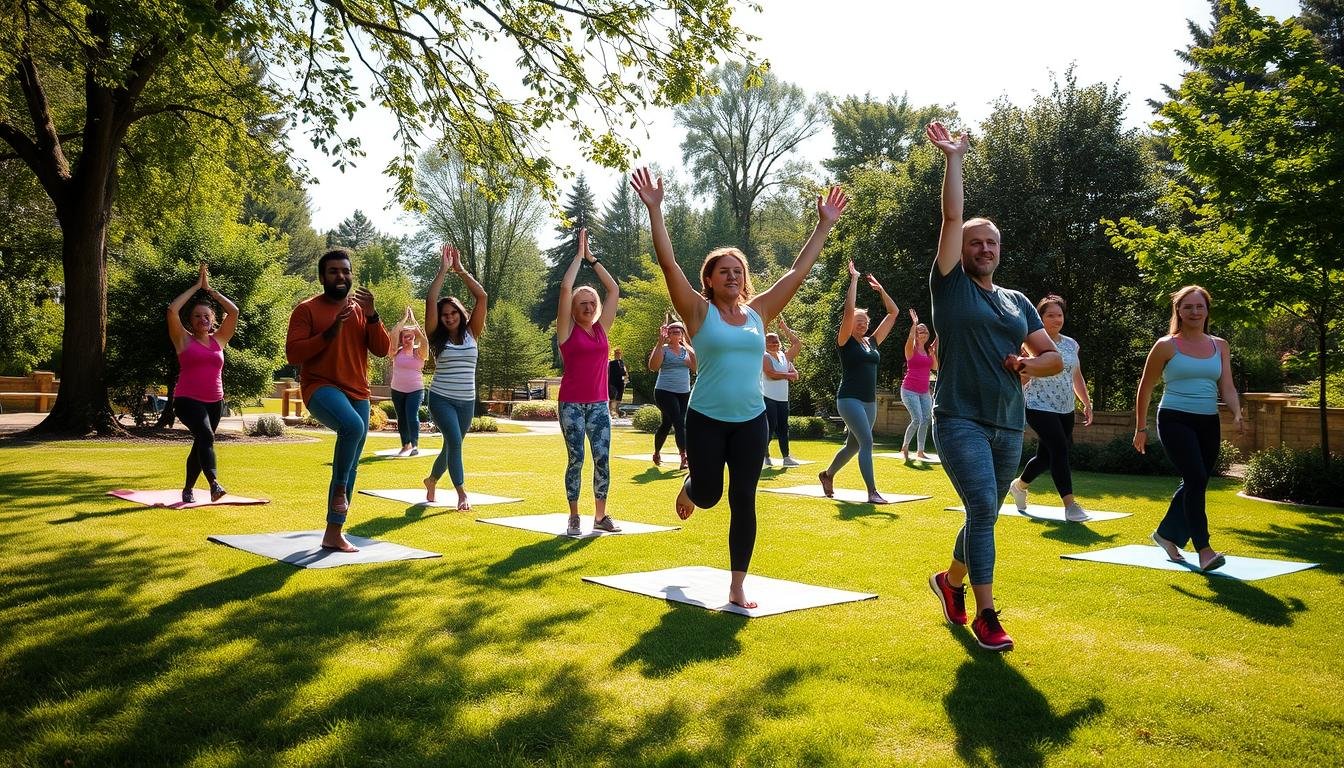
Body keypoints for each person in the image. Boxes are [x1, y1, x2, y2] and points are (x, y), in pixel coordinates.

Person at [633, 165, 848, 609]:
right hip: (707, 419)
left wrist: (823, 224)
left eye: (738, 271)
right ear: (709, 279)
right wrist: (656, 209)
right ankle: (692, 486)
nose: (732, 276)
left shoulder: (758, 313)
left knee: (743, 499)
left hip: (751, 421)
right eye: (723, 271)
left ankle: (737, 584)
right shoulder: (696, 312)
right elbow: (668, 263)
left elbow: (796, 272)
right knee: (710, 495)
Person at [922, 122, 1062, 652]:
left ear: (1000, 250)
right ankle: (986, 615)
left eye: (992, 243)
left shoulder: (1017, 300)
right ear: (962, 249)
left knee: (985, 513)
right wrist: (953, 158)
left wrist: (1028, 366)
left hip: (1008, 424)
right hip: (959, 416)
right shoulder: (949, 285)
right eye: (976, 242)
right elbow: (952, 215)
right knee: (983, 507)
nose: (984, 248)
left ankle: (949, 581)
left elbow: (1050, 357)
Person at [286, 248, 390, 552]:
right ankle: (340, 489)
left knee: (352, 462)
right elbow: (294, 354)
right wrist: (331, 331)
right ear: (322, 277)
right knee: (353, 427)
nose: (341, 276)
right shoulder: (306, 310)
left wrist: (372, 316)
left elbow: (382, 349)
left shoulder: (360, 310)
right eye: (334, 272)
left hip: (358, 390)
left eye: (345, 271)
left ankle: (333, 531)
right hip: (320, 386)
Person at [1134, 285, 1243, 572]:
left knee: (1197, 481)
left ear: (1207, 311)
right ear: (1178, 312)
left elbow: (1227, 386)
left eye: (1200, 307)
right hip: (1174, 419)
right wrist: (1140, 428)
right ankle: (1204, 549)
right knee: (1195, 477)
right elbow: (1145, 388)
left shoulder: (1220, 345)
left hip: (1208, 421)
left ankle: (1165, 535)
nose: (1194, 312)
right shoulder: (1166, 345)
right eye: (1188, 307)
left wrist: (1237, 411)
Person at [557, 228, 622, 536]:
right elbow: (566, 286)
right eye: (581, 303)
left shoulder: (601, 330)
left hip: (598, 405)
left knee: (602, 458)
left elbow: (613, 290)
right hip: (571, 404)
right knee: (577, 458)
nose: (587, 306)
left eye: (590, 302)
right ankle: (573, 515)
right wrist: (577, 257)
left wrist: (593, 260)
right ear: (573, 308)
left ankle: (600, 515)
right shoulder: (567, 332)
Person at [819, 261, 899, 503]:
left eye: (866, 321)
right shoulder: (845, 341)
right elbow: (848, 310)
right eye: (859, 321)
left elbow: (893, 313)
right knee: (867, 441)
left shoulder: (871, 342)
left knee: (853, 446)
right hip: (849, 399)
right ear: (850, 324)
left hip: (869, 401)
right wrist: (854, 279)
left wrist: (882, 291)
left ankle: (827, 474)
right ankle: (872, 492)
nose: (864, 324)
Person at [1009, 295, 1095, 521]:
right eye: (1050, 315)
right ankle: (1070, 505)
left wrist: (1085, 402)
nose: (1056, 319)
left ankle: (1019, 486)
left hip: (1065, 408)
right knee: (1060, 449)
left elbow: (1075, 375)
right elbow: (1021, 378)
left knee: (1047, 456)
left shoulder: (1071, 344)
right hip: (1038, 406)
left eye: (1060, 315)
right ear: (1040, 318)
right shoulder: (1031, 345)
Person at [167, 263, 238, 504]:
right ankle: (214, 484)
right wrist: (196, 286)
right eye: (197, 316)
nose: (202, 319)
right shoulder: (183, 340)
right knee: (206, 435)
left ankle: (188, 489)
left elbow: (235, 311)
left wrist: (210, 291)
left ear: (213, 319)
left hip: (214, 401)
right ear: (191, 320)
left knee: (202, 441)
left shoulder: (220, 340)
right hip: (187, 400)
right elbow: (172, 310)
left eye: (206, 316)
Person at [423, 245, 488, 510]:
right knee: (455, 442)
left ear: (460, 313)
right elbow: (430, 299)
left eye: (453, 313)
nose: (449, 318)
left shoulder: (473, 332)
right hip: (442, 399)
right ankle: (462, 494)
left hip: (466, 401)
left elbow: (482, 297)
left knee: (451, 445)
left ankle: (431, 480)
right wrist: (442, 270)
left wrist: (460, 271)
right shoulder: (436, 336)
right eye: (444, 314)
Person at [648, 319, 697, 469]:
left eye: (679, 331)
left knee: (667, 424)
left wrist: (689, 345)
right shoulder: (663, 349)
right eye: (673, 331)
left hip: (683, 392)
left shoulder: (685, 350)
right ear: (667, 334)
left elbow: (695, 367)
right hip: (664, 391)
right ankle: (684, 456)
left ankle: (656, 453)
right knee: (679, 422)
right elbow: (653, 367)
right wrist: (659, 342)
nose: (676, 334)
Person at [388, 307, 428, 457]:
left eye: (411, 336)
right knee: (402, 418)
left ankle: (415, 445)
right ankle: (406, 445)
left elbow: (424, 340)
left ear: (414, 337)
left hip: (415, 390)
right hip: (397, 389)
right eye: (405, 336)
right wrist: (405, 318)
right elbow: (393, 334)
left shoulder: (420, 352)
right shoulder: (395, 351)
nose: (408, 339)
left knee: (411, 415)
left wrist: (415, 323)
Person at [761, 316, 801, 467]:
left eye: (776, 340)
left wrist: (784, 328)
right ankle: (764, 455)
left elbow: (797, 344)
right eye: (770, 341)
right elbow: (770, 373)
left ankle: (786, 457)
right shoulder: (764, 356)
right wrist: (788, 375)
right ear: (764, 343)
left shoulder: (784, 357)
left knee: (784, 428)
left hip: (782, 398)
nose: (774, 343)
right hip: (768, 397)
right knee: (770, 427)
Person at [900, 308, 938, 462]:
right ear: (916, 333)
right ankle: (905, 447)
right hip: (909, 390)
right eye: (919, 331)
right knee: (917, 419)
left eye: (924, 331)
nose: (922, 333)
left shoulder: (928, 351)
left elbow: (935, 367)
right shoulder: (911, 349)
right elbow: (910, 339)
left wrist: (933, 351)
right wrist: (914, 324)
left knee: (927, 419)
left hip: (924, 391)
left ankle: (920, 451)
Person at [608, 348, 630, 419]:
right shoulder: (610, 363)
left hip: (620, 383)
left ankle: (616, 412)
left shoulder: (622, 362)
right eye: (616, 353)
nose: (618, 354)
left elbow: (625, 373)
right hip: (612, 382)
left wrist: (626, 380)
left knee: (618, 398)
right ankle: (611, 412)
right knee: (612, 398)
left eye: (619, 353)